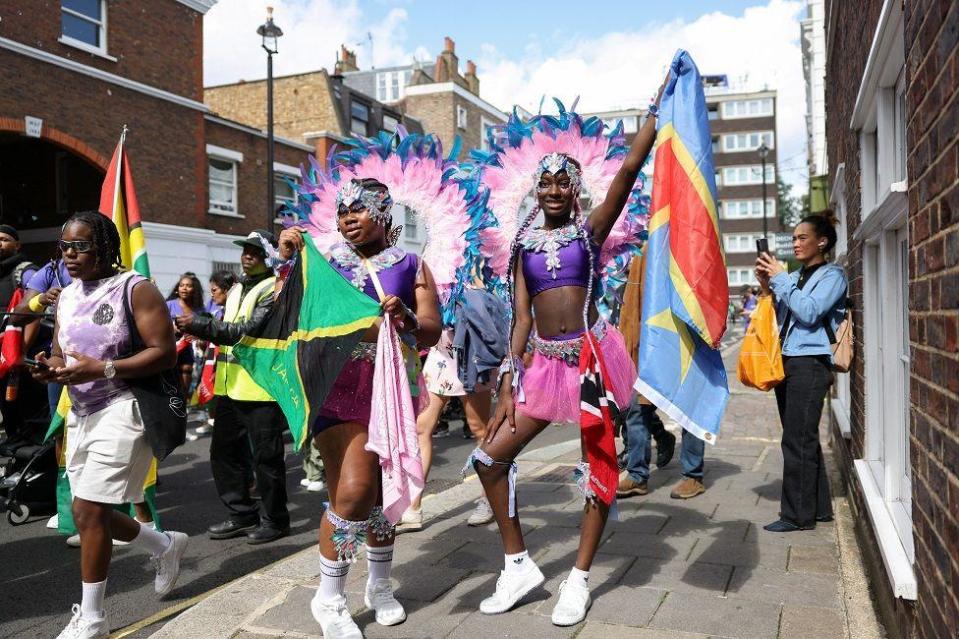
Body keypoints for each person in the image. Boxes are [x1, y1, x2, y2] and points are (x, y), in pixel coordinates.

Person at [461, 87, 664, 627]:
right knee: (488, 459)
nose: (553, 189)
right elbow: (521, 322)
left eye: (562, 181)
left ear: (575, 188)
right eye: (545, 181)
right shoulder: (524, 248)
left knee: (597, 467)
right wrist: (508, 381)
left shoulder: (589, 232)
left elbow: (626, 174)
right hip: (544, 366)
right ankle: (518, 564)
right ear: (535, 189)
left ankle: (578, 580)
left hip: (593, 359)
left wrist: (653, 115)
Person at [279, 175, 442, 639]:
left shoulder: (412, 265)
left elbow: (430, 329)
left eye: (360, 209)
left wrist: (406, 317)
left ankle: (380, 584)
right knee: (351, 493)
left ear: (384, 213)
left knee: (380, 493)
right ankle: (328, 599)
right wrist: (291, 261)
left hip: (389, 388)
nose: (349, 217)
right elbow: (291, 315)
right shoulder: (324, 264)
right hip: (337, 386)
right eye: (343, 210)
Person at [30, 211, 187, 639]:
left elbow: (165, 352)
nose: (70, 254)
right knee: (90, 513)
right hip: (80, 412)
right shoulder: (66, 297)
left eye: (80, 245)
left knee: (89, 511)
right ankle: (164, 545)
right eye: (64, 246)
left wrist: (104, 370)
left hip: (124, 406)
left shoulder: (136, 289)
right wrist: (53, 368)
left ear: (105, 245)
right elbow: (65, 353)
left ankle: (93, 617)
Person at [176, 230, 291, 545]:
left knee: (266, 460)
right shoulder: (238, 286)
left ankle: (275, 521)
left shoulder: (275, 289)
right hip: (229, 387)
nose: (247, 255)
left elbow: (245, 331)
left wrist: (199, 324)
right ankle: (241, 514)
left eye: (255, 250)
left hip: (261, 388)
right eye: (245, 250)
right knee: (224, 454)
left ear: (268, 255)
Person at [756, 213, 846, 532]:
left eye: (802, 238)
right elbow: (784, 314)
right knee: (803, 437)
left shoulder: (833, 276)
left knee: (796, 439)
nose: (795, 243)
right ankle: (819, 508)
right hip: (788, 361)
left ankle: (796, 516)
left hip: (810, 364)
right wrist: (768, 285)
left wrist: (780, 278)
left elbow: (808, 313)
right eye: (793, 238)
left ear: (821, 242)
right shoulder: (795, 277)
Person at [166, 272, 205, 394]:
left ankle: (185, 402)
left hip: (191, 354)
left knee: (187, 371)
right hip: (171, 350)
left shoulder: (201, 310)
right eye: (182, 285)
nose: (184, 288)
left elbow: (205, 331)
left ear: (194, 289)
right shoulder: (168, 305)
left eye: (188, 286)